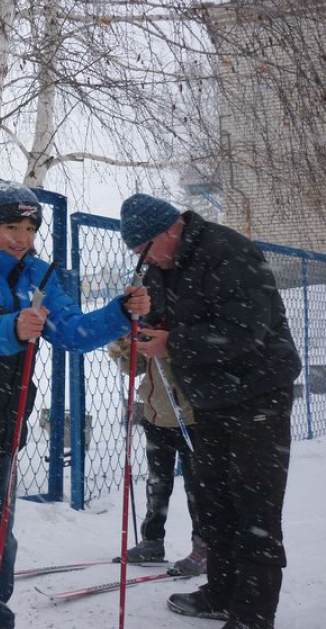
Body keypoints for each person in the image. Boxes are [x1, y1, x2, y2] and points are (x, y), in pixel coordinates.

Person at [0, 179, 151, 629]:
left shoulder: (37, 273)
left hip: (6, 424)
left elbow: (73, 332)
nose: (22, 239)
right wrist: (12, 327)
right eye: (12, 227)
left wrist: (119, 313)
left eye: (30, 230)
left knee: (0, 537)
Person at [119, 194, 301, 629]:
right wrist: (144, 317)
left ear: (169, 230)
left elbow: (246, 329)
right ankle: (221, 592)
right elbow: (163, 313)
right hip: (211, 399)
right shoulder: (163, 264)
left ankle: (253, 615)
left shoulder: (229, 251)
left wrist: (172, 343)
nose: (145, 262)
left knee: (254, 505)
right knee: (214, 499)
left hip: (258, 394)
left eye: (144, 251)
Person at [107, 336, 206, 575]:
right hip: (156, 416)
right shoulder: (148, 321)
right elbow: (134, 368)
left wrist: (169, 345)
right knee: (157, 484)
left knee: (198, 487)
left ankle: (205, 546)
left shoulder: (183, 323)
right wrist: (123, 346)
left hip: (191, 418)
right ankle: (152, 541)